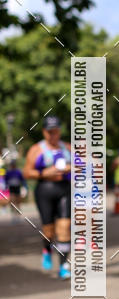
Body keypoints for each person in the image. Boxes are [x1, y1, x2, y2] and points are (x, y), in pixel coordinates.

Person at [23, 115, 72, 278]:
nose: (53, 135)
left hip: (64, 189)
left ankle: (64, 265)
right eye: (50, 132)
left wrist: (70, 168)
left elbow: (82, 166)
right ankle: (47, 248)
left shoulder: (68, 147)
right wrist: (45, 172)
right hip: (45, 190)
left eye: (56, 131)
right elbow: (27, 172)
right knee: (48, 230)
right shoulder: (36, 149)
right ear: (44, 132)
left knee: (65, 227)